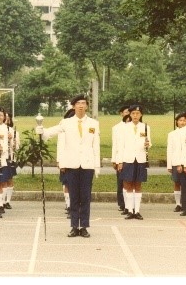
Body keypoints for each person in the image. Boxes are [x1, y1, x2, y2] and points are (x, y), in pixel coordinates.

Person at [36, 94, 100, 238]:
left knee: (85, 197)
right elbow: (49, 133)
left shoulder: (93, 124)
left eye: (84, 103)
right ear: (73, 106)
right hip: (71, 164)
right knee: (73, 197)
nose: (81, 106)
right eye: (78, 103)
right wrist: (41, 130)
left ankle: (83, 226)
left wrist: (97, 166)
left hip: (87, 164)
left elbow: (95, 145)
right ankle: (73, 226)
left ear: (87, 106)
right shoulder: (66, 122)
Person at [116, 104, 151, 220]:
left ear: (141, 115)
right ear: (130, 115)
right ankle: (130, 210)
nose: (135, 115)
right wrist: (119, 161)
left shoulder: (145, 127)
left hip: (140, 159)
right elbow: (121, 146)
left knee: (138, 185)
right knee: (128, 184)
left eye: (137, 113)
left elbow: (149, 143)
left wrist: (148, 144)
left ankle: (137, 210)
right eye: (133, 114)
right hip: (127, 159)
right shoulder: (125, 128)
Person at [111, 105, 130, 214]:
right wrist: (114, 159)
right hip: (120, 158)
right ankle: (122, 203)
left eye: (129, 112)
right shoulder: (116, 128)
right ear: (121, 114)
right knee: (121, 181)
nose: (127, 114)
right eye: (125, 112)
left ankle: (130, 204)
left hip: (131, 157)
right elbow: (115, 144)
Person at [166, 112, 186, 212]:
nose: (182, 122)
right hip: (175, 161)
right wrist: (169, 165)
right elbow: (170, 150)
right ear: (177, 122)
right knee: (177, 183)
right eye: (180, 120)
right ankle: (178, 204)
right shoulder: (172, 134)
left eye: (184, 120)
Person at [57, 108, 75, 219]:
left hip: (79, 163)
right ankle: (69, 206)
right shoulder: (63, 129)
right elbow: (60, 146)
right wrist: (60, 162)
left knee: (77, 186)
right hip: (66, 161)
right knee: (67, 184)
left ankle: (75, 206)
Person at [4, 111, 20, 210]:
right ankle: (1, 201)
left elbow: (17, 147)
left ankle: (7, 201)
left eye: (7, 118)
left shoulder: (14, 132)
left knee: (9, 179)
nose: (5, 119)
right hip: (1, 158)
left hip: (10, 158)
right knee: (1, 180)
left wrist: (12, 141)